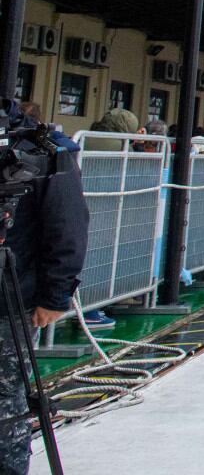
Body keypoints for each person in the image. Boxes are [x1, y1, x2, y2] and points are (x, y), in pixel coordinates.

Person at [0, 99, 89, 473]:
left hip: (10, 299)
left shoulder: (40, 149)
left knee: (6, 403)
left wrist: (54, 295)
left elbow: (67, 224)